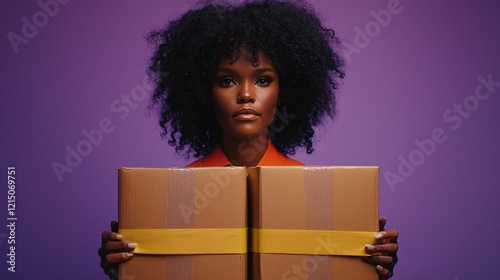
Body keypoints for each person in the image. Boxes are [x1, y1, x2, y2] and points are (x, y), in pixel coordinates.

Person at [98, 0, 399, 279]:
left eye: (263, 79)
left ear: (287, 90)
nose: (245, 94)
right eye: (227, 80)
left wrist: (368, 264)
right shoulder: (170, 200)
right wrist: (128, 268)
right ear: (202, 90)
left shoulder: (316, 198)